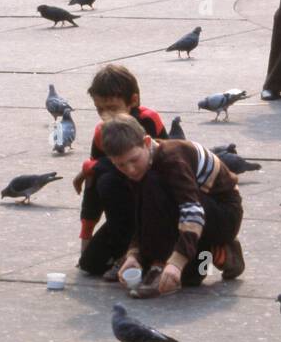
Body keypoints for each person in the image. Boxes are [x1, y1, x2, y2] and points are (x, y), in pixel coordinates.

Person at [97, 115, 244, 298]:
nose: (130, 169)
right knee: (190, 278)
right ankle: (219, 253)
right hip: (198, 210)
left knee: (153, 182)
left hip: (224, 214)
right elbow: (143, 215)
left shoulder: (172, 160)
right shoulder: (144, 163)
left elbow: (192, 211)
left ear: (147, 142)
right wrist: (134, 254)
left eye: (134, 160)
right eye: (120, 165)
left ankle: (173, 259)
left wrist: (174, 263)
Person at [74, 64, 168, 277]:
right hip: (124, 215)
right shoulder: (102, 132)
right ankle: (126, 251)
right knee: (90, 264)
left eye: (113, 108)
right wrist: (86, 236)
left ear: (133, 101)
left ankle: (144, 255)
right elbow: (92, 187)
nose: (106, 116)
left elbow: (160, 163)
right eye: (100, 110)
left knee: (112, 177)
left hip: (157, 208)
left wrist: (92, 166)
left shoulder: (147, 120)